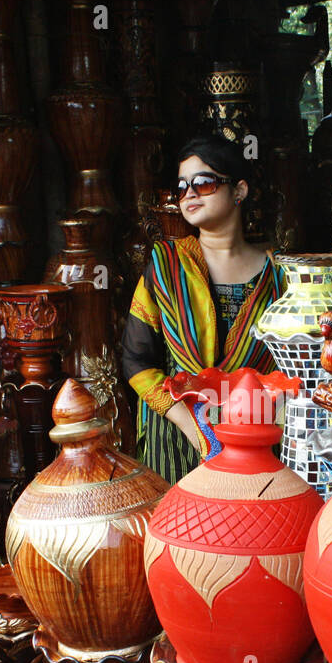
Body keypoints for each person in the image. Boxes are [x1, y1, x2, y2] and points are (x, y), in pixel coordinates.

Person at [123, 135, 285, 483]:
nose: (190, 194)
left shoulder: (278, 276)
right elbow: (136, 360)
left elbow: (290, 367)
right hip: (175, 437)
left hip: (255, 438)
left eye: (204, 182)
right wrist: (190, 423)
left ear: (239, 190)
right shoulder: (165, 266)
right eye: (182, 188)